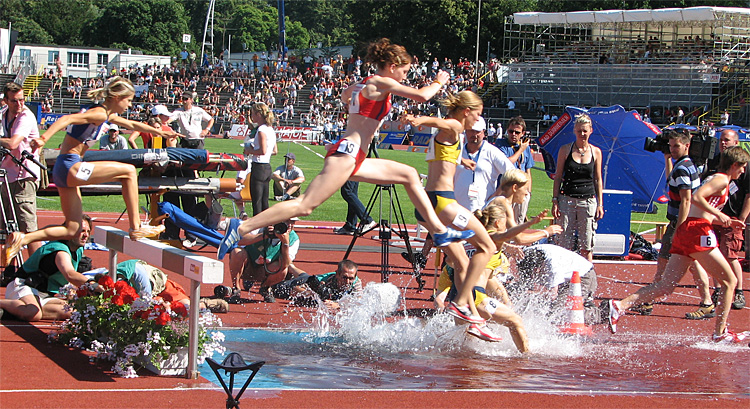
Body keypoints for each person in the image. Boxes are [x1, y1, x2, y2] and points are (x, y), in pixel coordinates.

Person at [218, 38, 473, 260]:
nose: (405, 76)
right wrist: (439, 81)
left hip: (356, 155)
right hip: (348, 153)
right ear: (392, 67)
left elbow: (345, 96)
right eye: (405, 71)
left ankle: (439, 232)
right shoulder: (381, 82)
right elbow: (422, 96)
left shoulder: (364, 84)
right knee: (305, 205)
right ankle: (240, 228)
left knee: (408, 175)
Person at [5, 77, 170, 262]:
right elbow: (66, 119)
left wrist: (160, 132)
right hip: (71, 166)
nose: (130, 105)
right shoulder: (99, 114)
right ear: (117, 97)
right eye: (129, 100)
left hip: (64, 168)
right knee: (129, 171)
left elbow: (130, 124)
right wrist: (44, 138)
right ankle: (136, 227)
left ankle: (23, 238)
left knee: (72, 229)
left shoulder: (104, 113)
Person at [603, 146, 750, 343]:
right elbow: (695, 198)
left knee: (665, 286)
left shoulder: (719, 179)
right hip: (697, 233)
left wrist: (725, 220)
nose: (743, 171)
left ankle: (619, 306)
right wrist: (720, 215)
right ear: (735, 164)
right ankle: (719, 333)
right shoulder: (721, 179)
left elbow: (701, 211)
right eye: (743, 167)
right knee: (730, 281)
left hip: (689, 230)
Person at [402, 90, 502, 341]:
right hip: (444, 204)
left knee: (462, 263)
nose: (477, 121)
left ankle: (469, 319)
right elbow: (444, 122)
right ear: (466, 111)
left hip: (428, 205)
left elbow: (442, 159)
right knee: (487, 247)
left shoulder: (448, 138)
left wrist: (462, 162)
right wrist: (420, 120)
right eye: (477, 114)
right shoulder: (454, 126)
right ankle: (460, 304)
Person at [433, 203, 531, 351]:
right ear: (498, 222)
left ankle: (435, 350)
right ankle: (526, 359)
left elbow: (451, 262)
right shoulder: (490, 241)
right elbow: (513, 238)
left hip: (458, 294)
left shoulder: (471, 241)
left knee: (466, 346)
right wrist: (545, 232)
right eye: (505, 222)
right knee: (516, 321)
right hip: (476, 296)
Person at [633, 130, 700, 316]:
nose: (673, 149)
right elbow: (672, 181)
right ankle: (707, 301)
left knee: (664, 261)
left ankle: (648, 300)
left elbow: (686, 200)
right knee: (693, 263)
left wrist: (680, 228)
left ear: (687, 145)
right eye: (670, 146)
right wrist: (667, 158)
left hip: (679, 223)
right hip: (686, 222)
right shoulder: (686, 165)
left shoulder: (682, 168)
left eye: (676, 146)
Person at [0, 215, 92, 321]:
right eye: (82, 231)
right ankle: (16, 307)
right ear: (70, 231)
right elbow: (70, 274)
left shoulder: (78, 249)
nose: (86, 235)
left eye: (88, 231)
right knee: (33, 313)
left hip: (43, 294)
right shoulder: (60, 251)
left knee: (72, 311)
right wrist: (92, 284)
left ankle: (13, 311)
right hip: (23, 286)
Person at [697, 129, 747, 311]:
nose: (722, 143)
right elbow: (697, 196)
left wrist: (740, 217)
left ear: (735, 142)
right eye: (721, 140)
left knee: (729, 256)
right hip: (708, 221)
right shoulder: (718, 170)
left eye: (726, 140)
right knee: (713, 256)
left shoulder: (740, 168)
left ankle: (737, 292)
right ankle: (717, 292)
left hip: (727, 218)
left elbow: (748, 193)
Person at [551, 114, 604, 262]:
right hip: (566, 200)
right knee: (564, 244)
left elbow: (598, 179)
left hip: (587, 201)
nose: (582, 134)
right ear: (574, 130)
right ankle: (563, 280)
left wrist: (600, 204)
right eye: (579, 131)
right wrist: (555, 200)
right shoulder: (565, 150)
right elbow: (558, 176)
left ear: (590, 131)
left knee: (586, 245)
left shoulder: (596, 152)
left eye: (585, 131)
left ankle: (586, 278)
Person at [0, 82, 42, 257]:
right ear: (5, 101)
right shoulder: (3, 114)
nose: (19, 104)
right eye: (14, 101)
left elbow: (12, 143)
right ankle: (9, 267)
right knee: (6, 228)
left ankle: (39, 270)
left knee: (28, 228)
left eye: (22, 100)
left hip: (24, 176)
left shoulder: (26, 116)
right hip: (6, 176)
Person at [515, 243, 602, 326]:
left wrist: (532, 294)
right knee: (547, 306)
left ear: (538, 268)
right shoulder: (526, 253)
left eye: (533, 274)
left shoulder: (552, 268)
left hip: (583, 277)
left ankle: (604, 312)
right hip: (567, 276)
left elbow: (552, 295)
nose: (533, 277)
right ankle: (587, 304)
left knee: (556, 313)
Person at [227, 217, 303, 303]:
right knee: (237, 252)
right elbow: (239, 241)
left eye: (292, 222)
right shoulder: (261, 226)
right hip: (247, 266)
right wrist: (264, 235)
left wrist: (285, 243)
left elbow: (286, 264)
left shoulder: (294, 239)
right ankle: (236, 289)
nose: (289, 225)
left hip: (266, 272)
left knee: (283, 270)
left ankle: (265, 288)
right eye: (286, 221)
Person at [112, 259, 228, 313]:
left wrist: (152, 300)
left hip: (160, 285)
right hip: (144, 292)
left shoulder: (131, 270)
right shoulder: (101, 277)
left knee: (185, 307)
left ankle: (205, 304)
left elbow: (145, 298)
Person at [454, 116, 515, 212]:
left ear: (483, 132)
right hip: (457, 208)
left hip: (483, 210)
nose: (474, 134)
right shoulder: (457, 151)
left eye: (477, 131)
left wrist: (497, 194)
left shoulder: (492, 151)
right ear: (465, 131)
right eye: (471, 130)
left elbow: (512, 173)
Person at [487, 169, 562, 244]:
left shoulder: (501, 201)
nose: (527, 193)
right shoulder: (502, 203)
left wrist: (507, 247)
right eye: (525, 189)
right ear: (515, 188)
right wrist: (546, 232)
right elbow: (519, 239)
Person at [271, 259, 362, 310]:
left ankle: (291, 266)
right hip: (305, 281)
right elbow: (296, 288)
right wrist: (313, 294)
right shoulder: (326, 280)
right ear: (337, 274)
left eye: (351, 278)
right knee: (276, 288)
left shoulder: (356, 284)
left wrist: (338, 305)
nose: (347, 282)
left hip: (308, 277)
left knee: (304, 276)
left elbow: (359, 302)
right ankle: (286, 266)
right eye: (344, 277)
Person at [495, 117, 534, 224]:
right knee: (503, 221)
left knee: (519, 221)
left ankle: (516, 240)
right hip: (506, 191)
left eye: (517, 132)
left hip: (521, 191)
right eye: (511, 131)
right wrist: (521, 149)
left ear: (522, 133)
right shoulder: (500, 144)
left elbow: (528, 170)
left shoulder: (526, 148)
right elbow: (506, 163)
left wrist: (528, 192)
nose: (513, 134)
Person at [244, 102, 277, 215]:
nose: (252, 117)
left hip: (258, 167)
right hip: (267, 167)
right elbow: (274, 151)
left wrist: (250, 151)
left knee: (257, 202)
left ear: (258, 114)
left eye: (253, 114)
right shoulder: (270, 129)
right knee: (264, 202)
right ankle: (266, 227)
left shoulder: (261, 130)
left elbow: (262, 151)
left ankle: (257, 228)